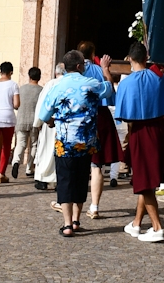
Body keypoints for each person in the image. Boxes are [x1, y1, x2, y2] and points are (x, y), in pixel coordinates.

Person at [37, 49, 113, 237]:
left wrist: (52, 122)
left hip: (64, 142)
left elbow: (44, 114)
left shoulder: (57, 86)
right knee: (81, 180)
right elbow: (109, 88)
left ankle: (67, 224)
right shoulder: (91, 84)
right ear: (80, 66)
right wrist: (105, 69)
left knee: (65, 181)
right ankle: (77, 220)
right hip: (87, 141)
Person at [114, 40, 164, 242]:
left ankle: (157, 227)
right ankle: (136, 224)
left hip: (141, 132)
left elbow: (124, 114)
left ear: (130, 59)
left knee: (144, 180)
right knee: (148, 180)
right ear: (146, 58)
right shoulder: (161, 78)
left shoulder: (127, 83)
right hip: (161, 130)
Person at [78, 40, 122, 219]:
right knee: (97, 166)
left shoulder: (73, 71)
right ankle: (94, 206)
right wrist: (105, 69)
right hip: (100, 115)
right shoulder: (98, 70)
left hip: (79, 116)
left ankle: (71, 206)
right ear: (92, 53)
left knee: (78, 165)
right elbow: (110, 92)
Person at [33, 62, 65, 191]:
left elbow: (42, 104)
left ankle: (42, 179)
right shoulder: (69, 83)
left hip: (49, 121)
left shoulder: (51, 83)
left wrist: (38, 122)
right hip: (63, 123)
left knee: (46, 150)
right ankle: (58, 180)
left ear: (56, 72)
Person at [12, 66, 42, 180]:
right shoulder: (41, 90)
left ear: (29, 76)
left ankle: (16, 162)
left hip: (21, 120)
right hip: (34, 121)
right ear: (39, 77)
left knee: (20, 144)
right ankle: (29, 168)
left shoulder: (21, 89)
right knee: (34, 145)